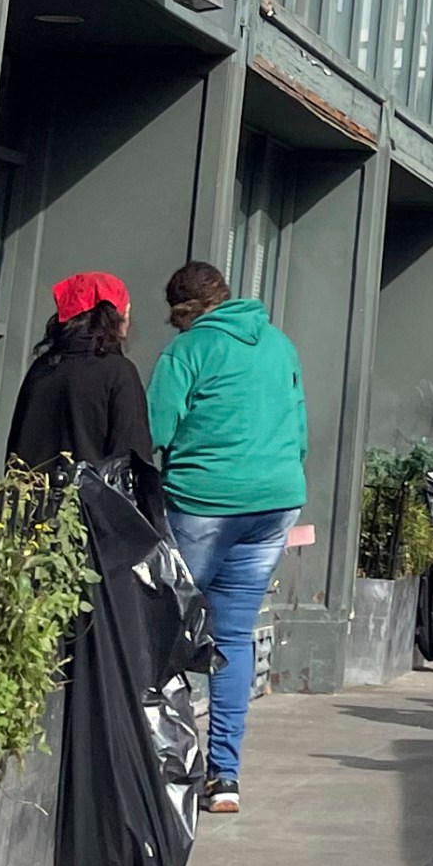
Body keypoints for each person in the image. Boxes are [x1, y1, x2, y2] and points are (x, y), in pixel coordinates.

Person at [150, 261, 309, 817]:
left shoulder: (188, 351)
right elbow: (299, 423)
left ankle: (161, 761)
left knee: (166, 624)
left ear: (182, 309)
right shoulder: (279, 344)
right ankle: (225, 778)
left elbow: (155, 430)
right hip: (276, 500)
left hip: (205, 500)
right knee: (234, 637)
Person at [7, 272, 152, 473]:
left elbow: (17, 449)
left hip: (32, 499)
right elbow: (131, 457)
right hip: (88, 501)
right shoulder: (119, 372)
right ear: (118, 316)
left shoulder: (41, 368)